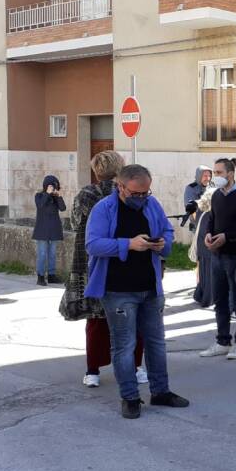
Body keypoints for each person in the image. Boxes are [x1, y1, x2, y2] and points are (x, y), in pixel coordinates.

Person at [85, 164, 188, 419]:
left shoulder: (151, 205)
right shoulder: (104, 209)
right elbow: (93, 244)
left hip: (150, 287)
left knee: (156, 342)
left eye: (146, 193)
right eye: (136, 193)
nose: (141, 198)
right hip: (118, 290)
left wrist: (163, 243)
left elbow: (167, 230)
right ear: (120, 187)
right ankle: (130, 397)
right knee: (124, 345)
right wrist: (129, 244)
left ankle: (160, 391)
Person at [61, 151, 148, 388]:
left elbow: (75, 223)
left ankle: (93, 371)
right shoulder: (127, 191)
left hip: (91, 263)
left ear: (97, 170)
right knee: (132, 317)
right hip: (127, 259)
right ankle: (137, 367)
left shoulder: (86, 194)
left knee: (96, 320)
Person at [199, 158, 236, 360]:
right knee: (220, 299)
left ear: (230, 174)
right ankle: (223, 340)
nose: (216, 177)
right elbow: (212, 219)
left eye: (220, 172)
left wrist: (227, 237)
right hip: (217, 255)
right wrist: (208, 234)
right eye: (214, 172)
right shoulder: (216, 196)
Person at [32, 175, 67, 286]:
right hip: (42, 230)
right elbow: (40, 206)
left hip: (54, 229)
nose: (53, 188)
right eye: (52, 186)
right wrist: (47, 193)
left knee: (52, 254)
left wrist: (59, 196)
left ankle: (51, 275)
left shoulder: (55, 198)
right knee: (42, 254)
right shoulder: (39, 196)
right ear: (46, 186)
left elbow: (63, 208)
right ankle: (40, 276)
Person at [190, 187, 217, 308]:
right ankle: (208, 298)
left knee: (203, 272)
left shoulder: (201, 210)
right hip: (208, 245)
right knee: (209, 273)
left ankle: (200, 294)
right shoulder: (211, 213)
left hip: (201, 244)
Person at [183, 165, 213, 232]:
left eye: (209, 176)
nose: (208, 178)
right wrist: (199, 225)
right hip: (198, 226)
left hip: (211, 224)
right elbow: (191, 210)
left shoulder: (211, 186)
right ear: (199, 176)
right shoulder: (191, 188)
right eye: (205, 176)